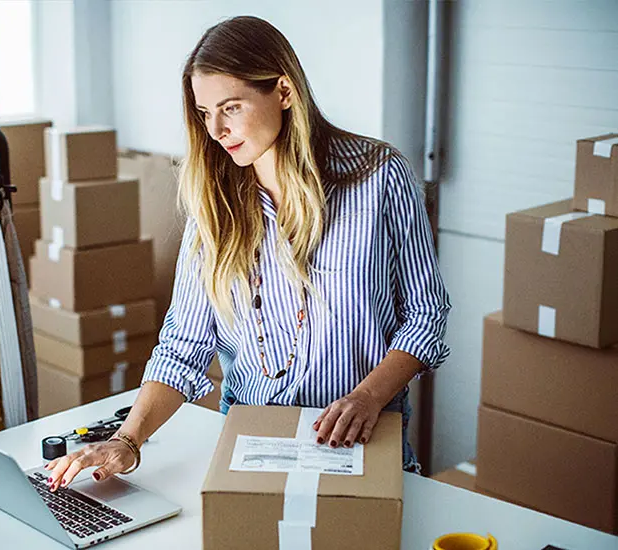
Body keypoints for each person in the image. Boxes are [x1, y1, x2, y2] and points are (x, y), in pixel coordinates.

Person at [46, 15, 451, 490]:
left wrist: (366, 397)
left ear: (283, 92)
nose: (215, 129)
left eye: (231, 107)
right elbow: (183, 346)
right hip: (252, 443)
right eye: (204, 112)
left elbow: (427, 315)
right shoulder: (214, 204)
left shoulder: (379, 177)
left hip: (361, 440)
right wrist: (127, 441)